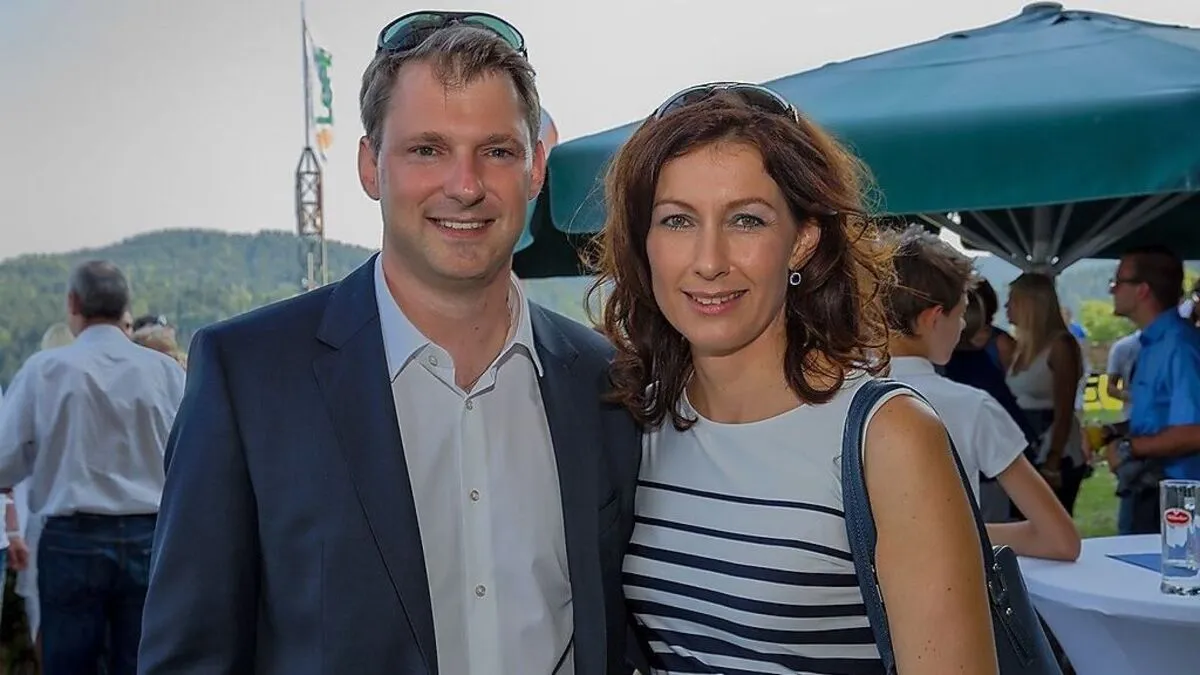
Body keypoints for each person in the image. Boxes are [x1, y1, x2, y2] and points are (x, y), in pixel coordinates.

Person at [138, 12, 640, 675]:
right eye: (426, 149)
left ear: (536, 166)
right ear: (371, 165)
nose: (464, 185)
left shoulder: (605, 381)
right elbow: (189, 657)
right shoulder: (249, 378)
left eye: (496, 149)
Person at [594, 83, 996, 674]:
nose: (709, 260)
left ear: (802, 240)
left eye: (746, 220)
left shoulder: (885, 438)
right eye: (677, 220)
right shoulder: (638, 420)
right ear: (645, 241)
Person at [0, 260, 186, 675]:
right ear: (126, 307)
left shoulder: (44, 371)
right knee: (144, 662)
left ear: (73, 303)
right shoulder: (165, 374)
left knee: (70, 665)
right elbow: (190, 458)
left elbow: (4, 462)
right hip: (150, 536)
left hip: (71, 539)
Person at [883, 226, 1079, 561]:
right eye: (961, 314)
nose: (962, 328)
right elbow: (1060, 539)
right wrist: (951, 532)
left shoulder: (824, 396)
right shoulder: (973, 408)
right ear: (933, 318)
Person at [1101, 246, 1200, 534]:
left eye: (1118, 282)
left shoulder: (1179, 347)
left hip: (1175, 498)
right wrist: (1115, 432)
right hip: (1149, 489)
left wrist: (1129, 447)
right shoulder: (1153, 344)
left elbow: (1194, 431)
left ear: (1143, 290)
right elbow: (1160, 419)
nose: (1112, 290)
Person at [1005, 273, 1087, 515]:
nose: (1006, 307)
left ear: (1032, 305)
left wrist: (1053, 461)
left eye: (1013, 300)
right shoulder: (1023, 347)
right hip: (1028, 445)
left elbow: (1064, 408)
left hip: (1054, 449)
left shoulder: (1061, 346)